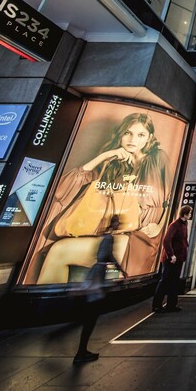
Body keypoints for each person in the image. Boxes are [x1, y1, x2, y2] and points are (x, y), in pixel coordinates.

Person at [31, 112, 171, 283]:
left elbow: (170, 200)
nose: (133, 139)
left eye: (140, 134)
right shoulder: (113, 161)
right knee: (57, 251)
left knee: (59, 251)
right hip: (114, 232)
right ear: (121, 134)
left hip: (142, 237)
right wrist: (103, 157)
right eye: (128, 133)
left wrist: (160, 227)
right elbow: (62, 190)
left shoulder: (157, 159)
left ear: (149, 138)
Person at [74, 215, 127, 364]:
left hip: (96, 275)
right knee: (91, 315)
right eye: (118, 223)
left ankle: (81, 350)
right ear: (114, 223)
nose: (119, 225)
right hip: (97, 277)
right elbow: (106, 255)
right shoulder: (109, 238)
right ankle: (81, 352)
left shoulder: (105, 237)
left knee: (90, 316)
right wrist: (119, 269)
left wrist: (119, 269)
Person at [152, 205, 192, 313]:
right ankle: (157, 305)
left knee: (175, 281)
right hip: (171, 259)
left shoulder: (185, 224)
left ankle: (171, 305)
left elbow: (183, 240)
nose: (190, 215)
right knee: (164, 281)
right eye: (189, 213)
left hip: (179, 258)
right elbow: (166, 240)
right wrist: (171, 255)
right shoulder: (175, 225)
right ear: (184, 214)